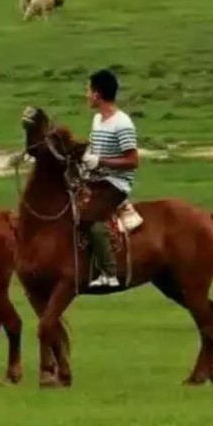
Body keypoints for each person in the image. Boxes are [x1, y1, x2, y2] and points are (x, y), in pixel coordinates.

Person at [79, 69, 139, 289]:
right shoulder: (97, 119)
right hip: (96, 179)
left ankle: (109, 272)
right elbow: (95, 150)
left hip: (116, 184)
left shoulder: (122, 123)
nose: (86, 95)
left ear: (98, 94)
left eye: (88, 90)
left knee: (91, 221)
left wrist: (100, 162)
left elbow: (133, 160)